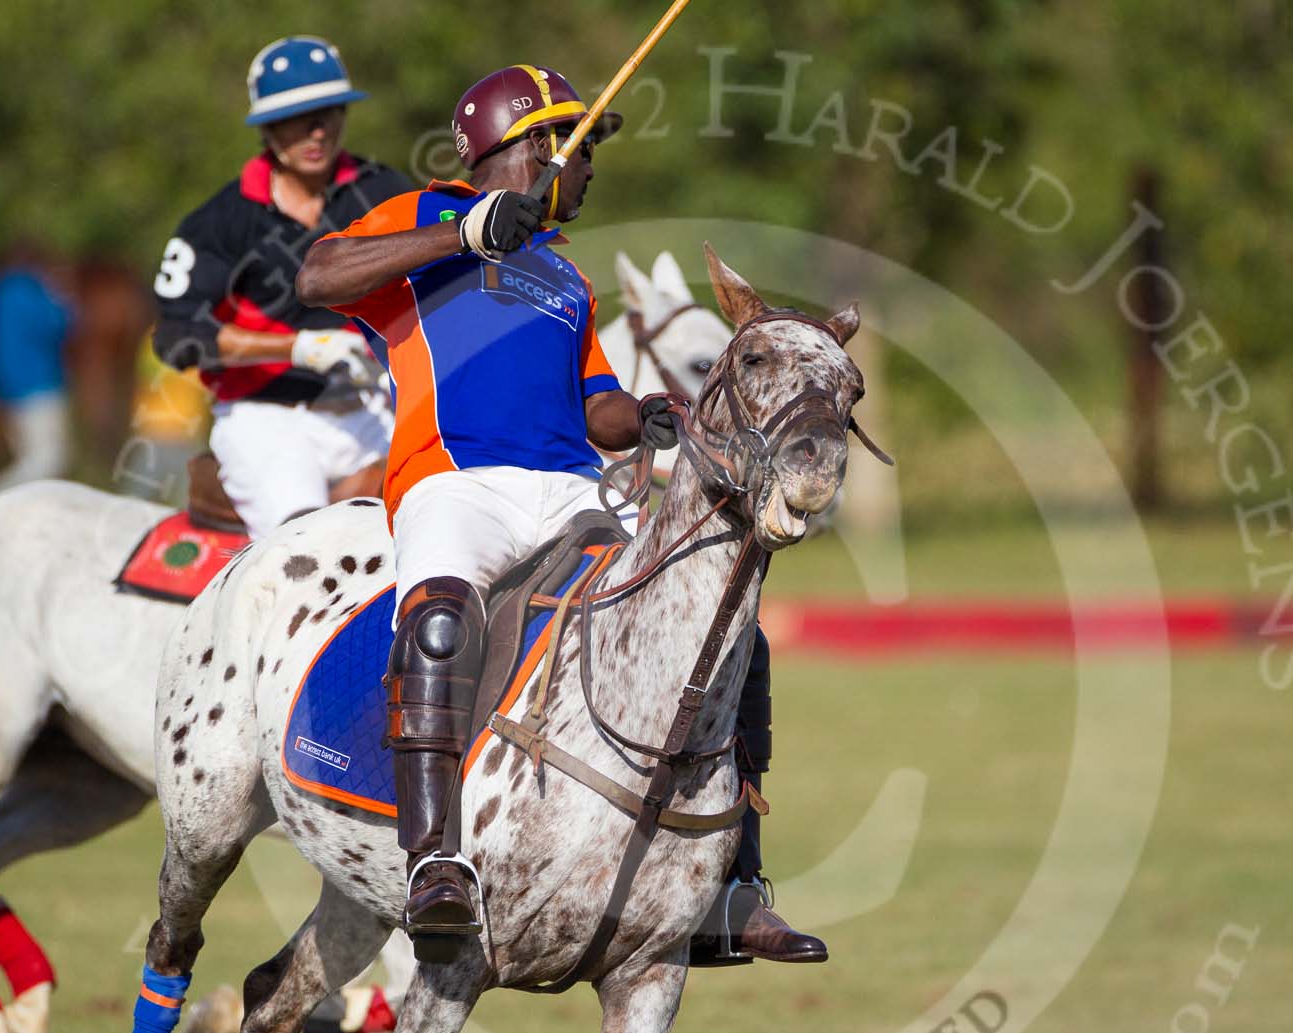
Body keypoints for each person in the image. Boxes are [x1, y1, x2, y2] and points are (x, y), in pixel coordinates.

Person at [296, 63, 824, 965]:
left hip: (573, 488)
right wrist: (465, 231)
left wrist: (649, 414)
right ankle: (434, 865)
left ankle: (733, 885)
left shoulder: (564, 277)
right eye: (579, 148)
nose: (589, 169)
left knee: (718, 628)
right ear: (529, 147)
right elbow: (319, 274)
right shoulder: (424, 213)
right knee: (437, 625)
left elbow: (595, 408)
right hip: (455, 477)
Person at [151, 36, 413, 537]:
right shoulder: (220, 221)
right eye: (298, 118)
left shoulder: (384, 192)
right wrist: (300, 349)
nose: (316, 131)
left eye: (328, 112)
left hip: (374, 408)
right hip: (267, 419)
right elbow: (177, 336)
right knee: (307, 548)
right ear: (268, 128)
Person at [0, 249, 75, 496]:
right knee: (49, 460)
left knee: (30, 459)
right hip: (39, 382)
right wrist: (63, 299)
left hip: (7, 388)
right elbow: (58, 323)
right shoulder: (31, 289)